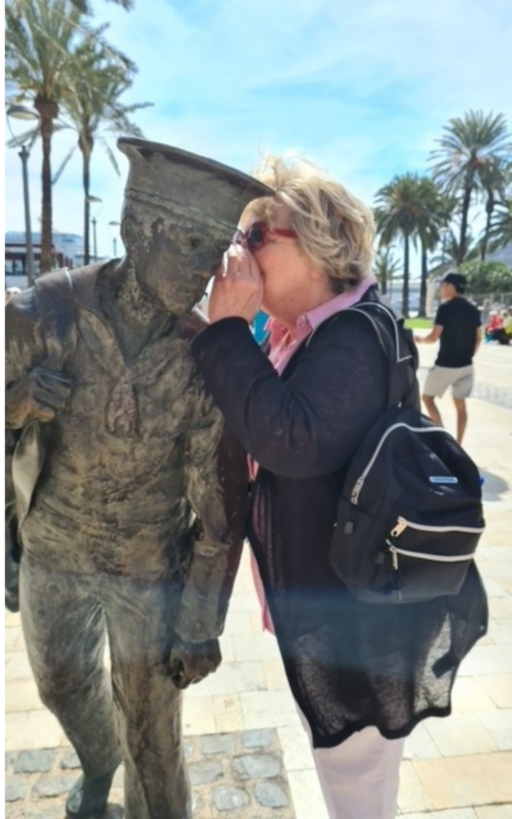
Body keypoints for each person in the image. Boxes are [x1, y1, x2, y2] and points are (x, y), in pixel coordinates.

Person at [188, 157, 487, 819]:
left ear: (319, 246)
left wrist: (228, 331)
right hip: (342, 599)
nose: (241, 250)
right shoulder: (315, 331)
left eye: (260, 235)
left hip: (357, 616)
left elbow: (290, 437)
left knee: (356, 789)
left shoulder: (351, 334)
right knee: (348, 773)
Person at [6, 138, 255, 818]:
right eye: (192, 246)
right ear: (138, 230)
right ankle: (96, 761)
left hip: (151, 563)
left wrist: (200, 621)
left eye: (215, 251)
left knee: (153, 732)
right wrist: (20, 397)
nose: (206, 270)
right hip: (55, 543)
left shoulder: (202, 354)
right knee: (59, 682)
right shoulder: (46, 312)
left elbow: (218, 504)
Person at [415, 271, 482, 445]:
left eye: (443, 286)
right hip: (466, 365)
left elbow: (434, 337)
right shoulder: (473, 309)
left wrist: (417, 339)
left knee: (427, 398)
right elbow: (478, 337)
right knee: (461, 406)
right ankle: (458, 444)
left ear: (451, 287)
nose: (441, 290)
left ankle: (444, 439)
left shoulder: (445, 308)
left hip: (446, 364)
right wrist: (469, 355)